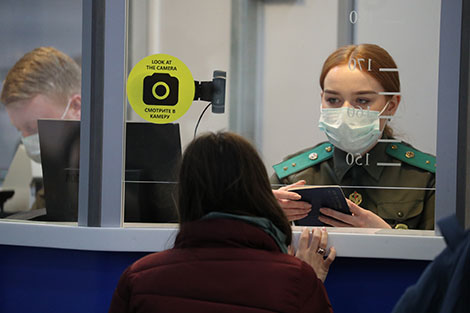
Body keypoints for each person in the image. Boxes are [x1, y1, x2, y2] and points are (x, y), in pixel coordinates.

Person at [109, 132, 336, 313]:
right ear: (259, 191)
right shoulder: (296, 280)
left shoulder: (139, 279)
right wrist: (310, 282)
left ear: (185, 194)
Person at [271, 44, 435, 230]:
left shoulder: (426, 178)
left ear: (391, 105)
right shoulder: (293, 176)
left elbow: (448, 256)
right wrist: (267, 217)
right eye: (333, 100)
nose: (345, 111)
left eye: (362, 101)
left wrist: (388, 237)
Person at [0, 46, 81, 211]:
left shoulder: (114, 177)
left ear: (75, 107)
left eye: (33, 128)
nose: (26, 139)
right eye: (19, 130)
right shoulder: (52, 176)